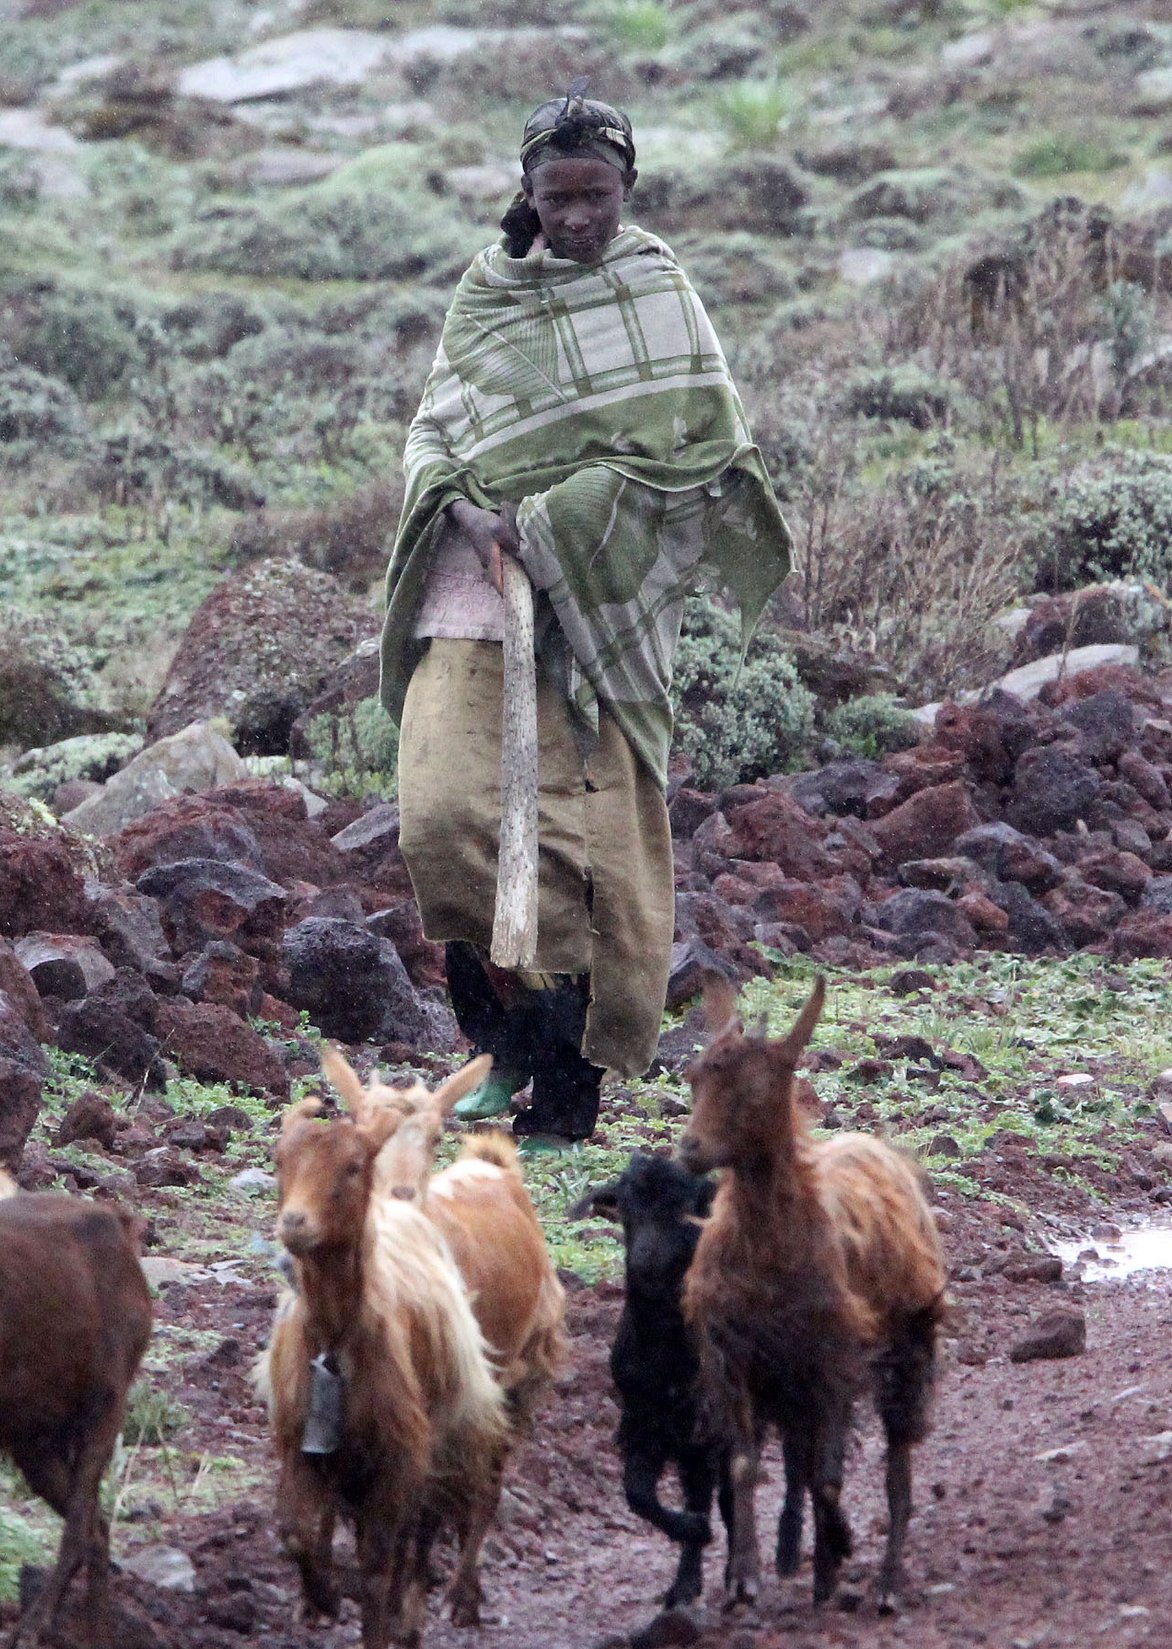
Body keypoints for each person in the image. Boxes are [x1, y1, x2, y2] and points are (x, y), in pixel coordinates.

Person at [377, 89, 791, 1152]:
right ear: (525, 193)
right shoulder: (488, 292)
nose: (575, 218)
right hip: (475, 586)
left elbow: (702, 445)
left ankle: (564, 1087)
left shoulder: (656, 287)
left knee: (576, 843)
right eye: (555, 197)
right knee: (442, 816)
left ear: (627, 190)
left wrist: (564, 517)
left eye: (595, 196)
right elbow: (435, 426)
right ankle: (501, 1035)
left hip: (602, 606)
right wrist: (465, 507)